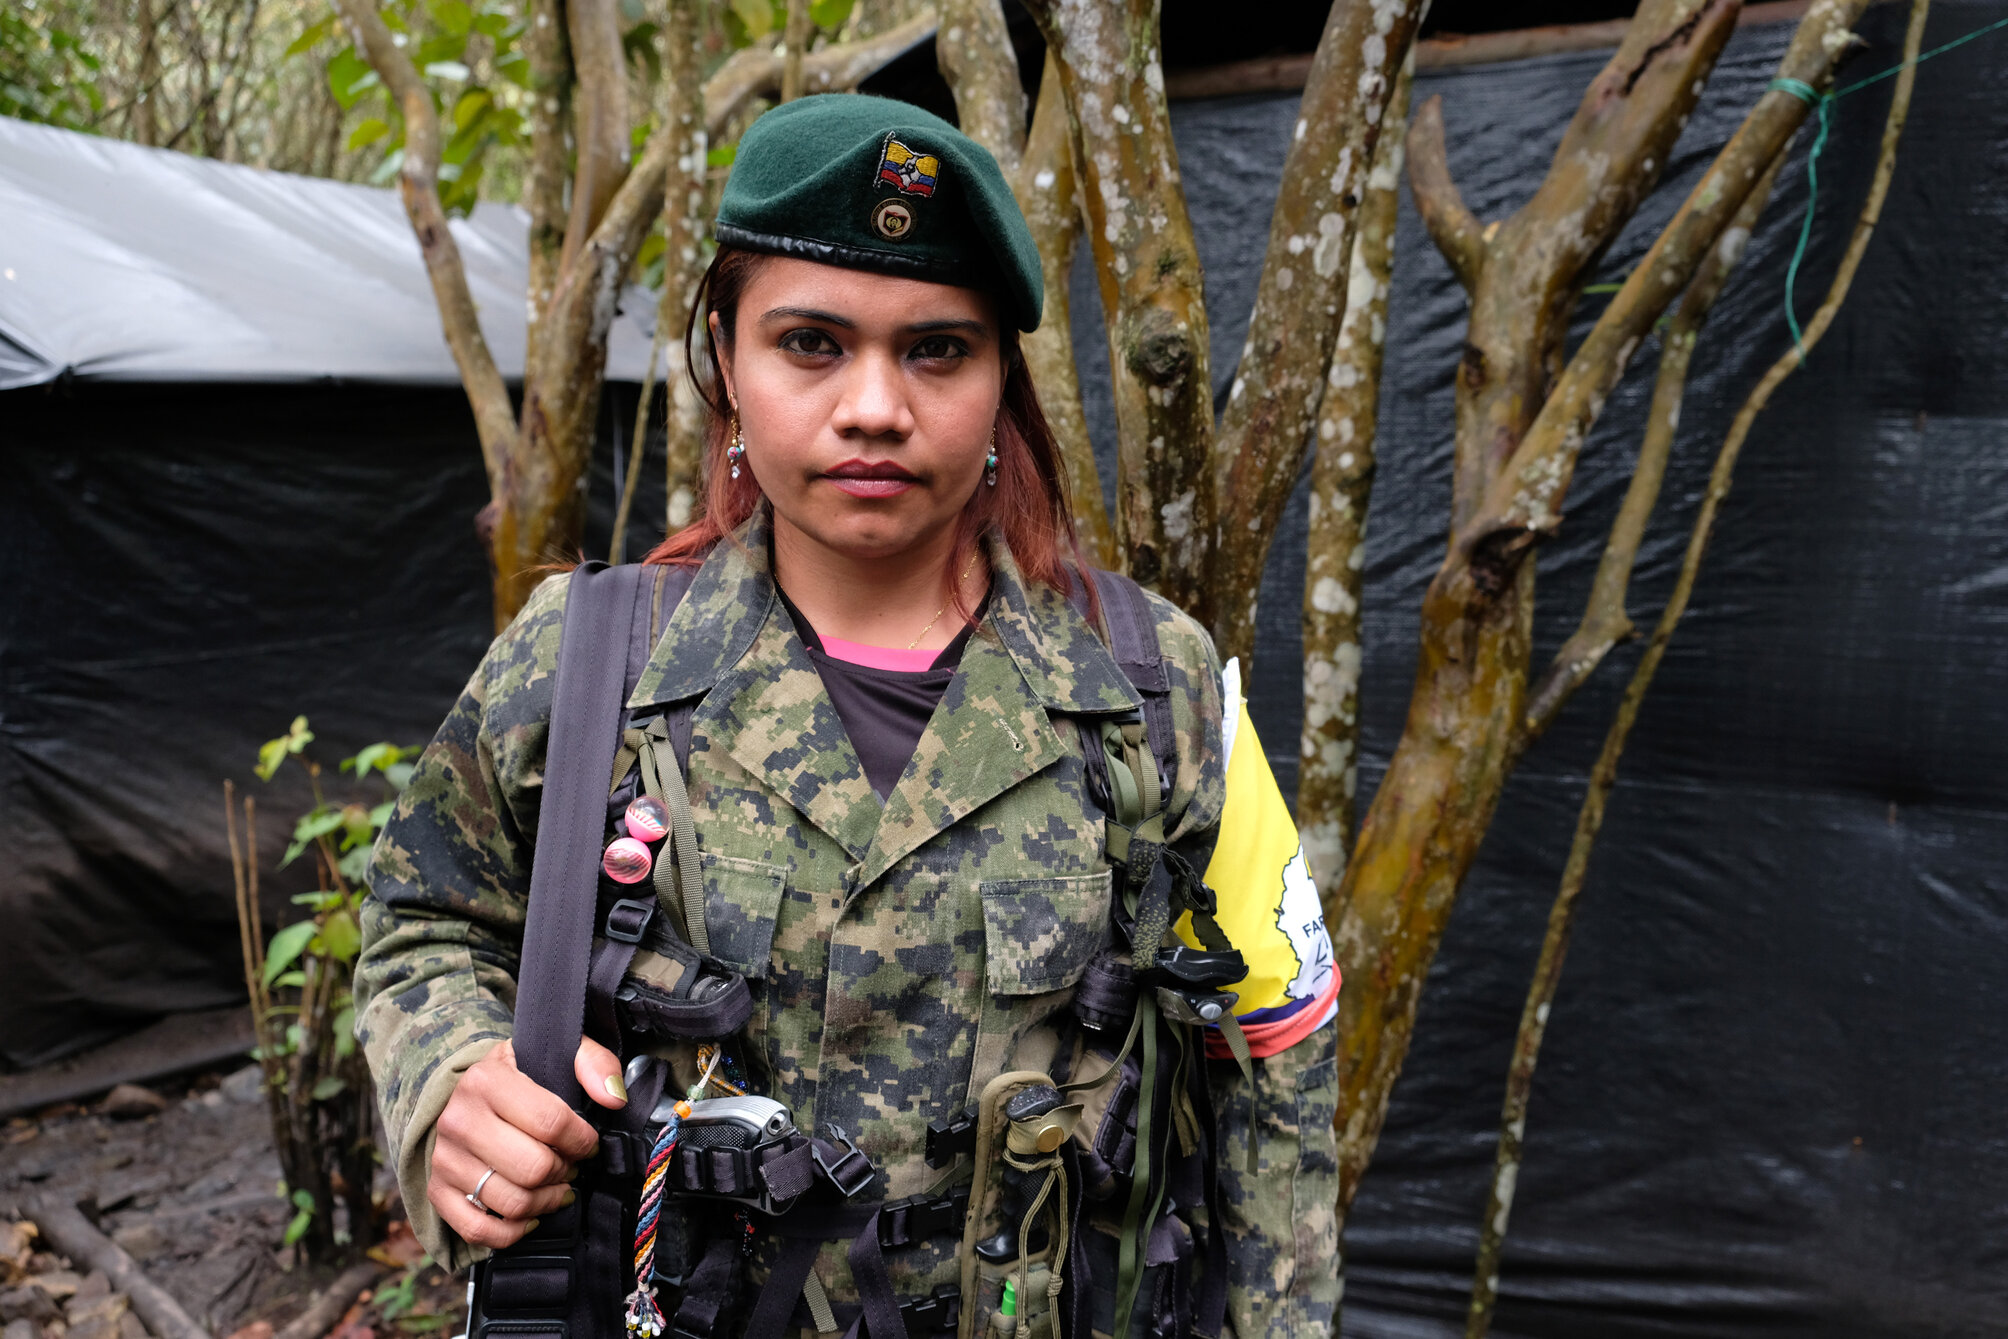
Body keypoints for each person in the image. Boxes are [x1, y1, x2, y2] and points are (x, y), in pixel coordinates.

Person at [355, 94, 1340, 1339]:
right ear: (725, 352)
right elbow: (423, 923)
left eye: (937, 349)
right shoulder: (587, 659)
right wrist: (450, 1079)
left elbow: (1277, 1056)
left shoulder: (1157, 686)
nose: (874, 406)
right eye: (811, 343)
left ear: (1000, 381)